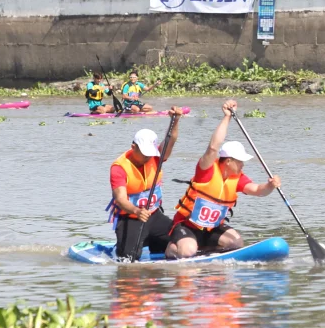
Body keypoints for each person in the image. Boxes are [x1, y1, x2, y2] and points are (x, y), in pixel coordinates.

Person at [166, 100, 281, 259]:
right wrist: (227, 117)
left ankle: (207, 251)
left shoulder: (237, 178)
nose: (242, 164)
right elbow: (213, 147)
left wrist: (270, 185)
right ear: (228, 161)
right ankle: (173, 248)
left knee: (236, 242)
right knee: (188, 251)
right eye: (239, 161)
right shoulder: (206, 171)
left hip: (212, 228)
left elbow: (258, 190)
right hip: (187, 225)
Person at [106, 110, 183, 261]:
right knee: (129, 258)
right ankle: (128, 244)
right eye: (143, 153)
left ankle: (155, 243)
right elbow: (120, 200)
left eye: (149, 153)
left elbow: (171, 139)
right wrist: (136, 211)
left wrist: (175, 120)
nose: (147, 157)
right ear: (133, 147)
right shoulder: (119, 168)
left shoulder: (155, 157)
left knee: (182, 235)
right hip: (130, 218)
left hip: (154, 215)